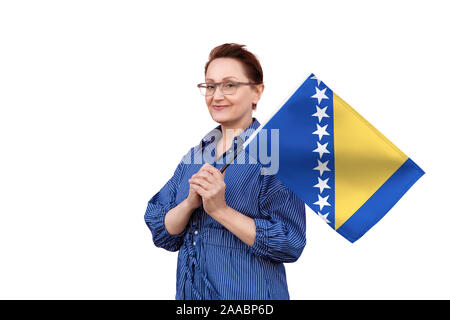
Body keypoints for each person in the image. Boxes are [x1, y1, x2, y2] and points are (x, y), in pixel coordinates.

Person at [144, 43, 306, 300]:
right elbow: (162, 231)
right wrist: (188, 204)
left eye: (229, 85)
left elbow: (290, 243)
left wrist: (220, 210)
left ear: (257, 92)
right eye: (210, 86)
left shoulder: (274, 155)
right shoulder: (194, 157)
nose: (216, 96)